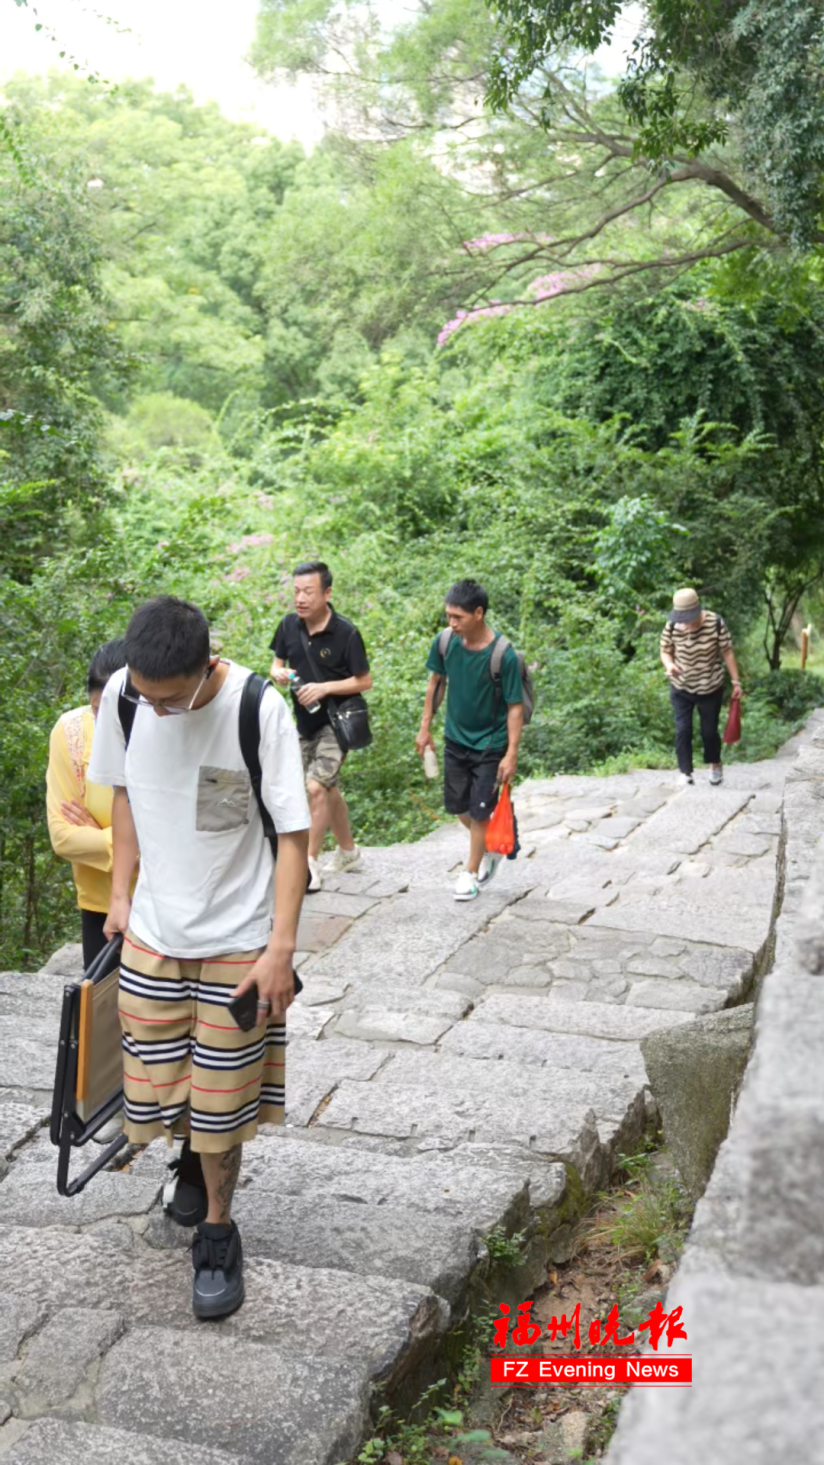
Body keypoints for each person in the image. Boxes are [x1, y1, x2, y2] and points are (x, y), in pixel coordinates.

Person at [89, 595, 309, 1320]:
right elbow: (123, 797)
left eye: (168, 703)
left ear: (205, 667)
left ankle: (217, 1231)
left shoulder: (257, 708)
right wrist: (120, 893)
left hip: (237, 944)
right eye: (143, 699)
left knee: (220, 1107)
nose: (153, 713)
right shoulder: (126, 695)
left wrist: (280, 948)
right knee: (160, 1091)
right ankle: (189, 1157)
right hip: (153, 935)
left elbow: (292, 837)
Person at [416, 579, 524, 902]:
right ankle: (494, 842)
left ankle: (470, 873)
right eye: (448, 615)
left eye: (458, 617)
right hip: (455, 739)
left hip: (491, 744)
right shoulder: (445, 642)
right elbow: (436, 683)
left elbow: (515, 706)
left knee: (479, 812)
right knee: (459, 808)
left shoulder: (503, 655)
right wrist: (425, 728)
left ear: (478, 613)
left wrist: (511, 754)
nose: (451, 623)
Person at [269, 560, 372, 892]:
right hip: (303, 724)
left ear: (326, 593)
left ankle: (308, 864)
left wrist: (325, 687)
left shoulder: (346, 633)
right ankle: (348, 853)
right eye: (296, 591)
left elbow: (364, 680)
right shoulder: (288, 626)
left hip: (336, 722)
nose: (300, 598)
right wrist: (278, 673)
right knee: (328, 789)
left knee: (314, 788)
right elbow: (276, 664)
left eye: (308, 592)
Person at [46, 639, 128, 967]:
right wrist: (126, 842)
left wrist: (98, 834)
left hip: (160, 902)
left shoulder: (163, 727)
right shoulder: (70, 732)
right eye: (97, 710)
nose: (105, 723)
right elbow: (63, 837)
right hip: (99, 906)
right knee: (101, 1013)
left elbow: (172, 836)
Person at [660, 587, 742, 787]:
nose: (685, 624)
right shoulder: (672, 625)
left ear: (697, 611)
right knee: (682, 729)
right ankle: (685, 772)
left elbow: (727, 652)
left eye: (688, 618)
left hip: (710, 687)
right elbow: (665, 650)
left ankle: (715, 765)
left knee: (709, 732)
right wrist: (670, 665)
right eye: (682, 618)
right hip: (681, 687)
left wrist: (736, 681)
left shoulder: (715, 623)